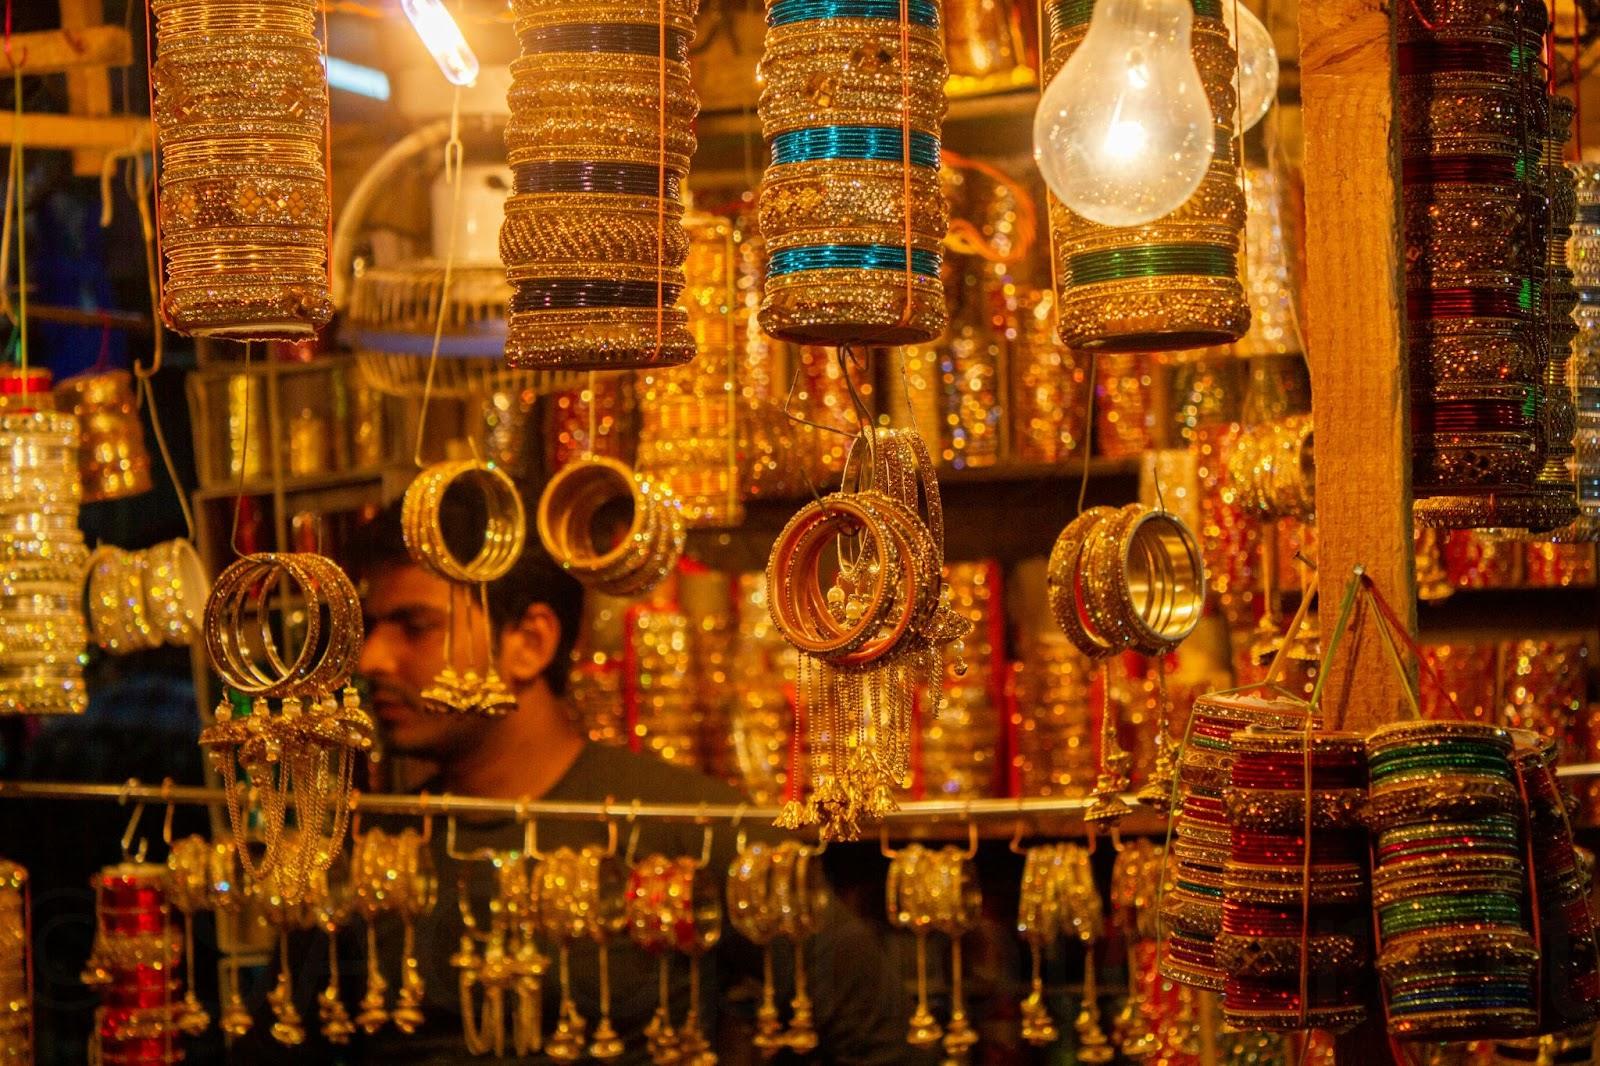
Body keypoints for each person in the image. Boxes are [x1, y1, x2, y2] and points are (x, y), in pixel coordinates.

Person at [298, 490, 918, 1064]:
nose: (371, 659)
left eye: (415, 627)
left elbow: (874, 1029)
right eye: (371, 628)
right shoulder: (371, 846)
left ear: (530, 642)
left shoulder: (686, 826)